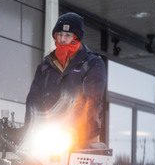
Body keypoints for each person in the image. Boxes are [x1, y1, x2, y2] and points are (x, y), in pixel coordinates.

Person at [22, 12, 107, 149]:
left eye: (67, 35)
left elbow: (91, 101)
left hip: (81, 137)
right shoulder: (45, 67)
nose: (62, 39)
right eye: (59, 35)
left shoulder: (93, 64)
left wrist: (73, 128)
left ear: (77, 38)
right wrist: (29, 129)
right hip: (48, 136)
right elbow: (33, 100)